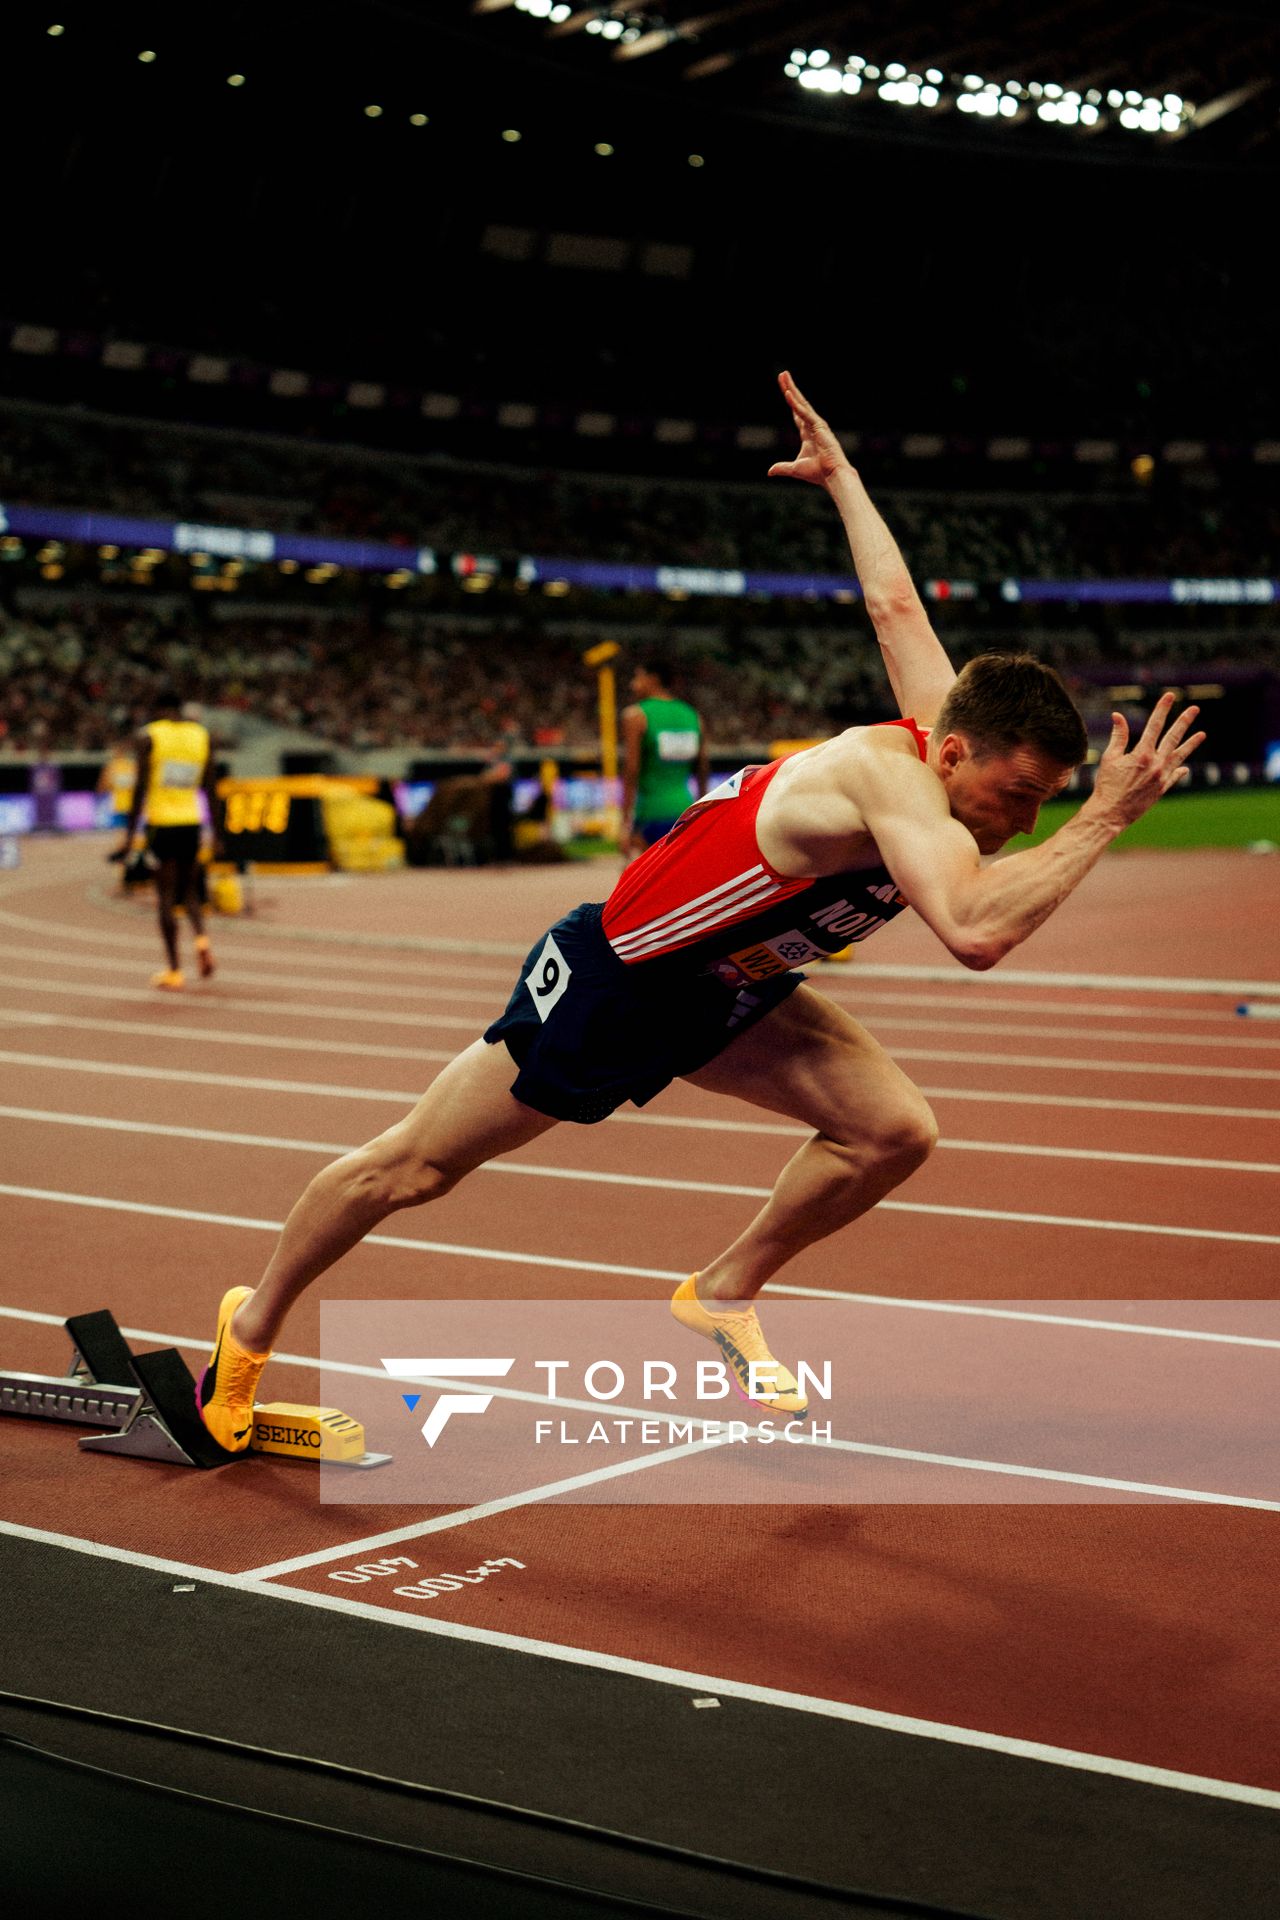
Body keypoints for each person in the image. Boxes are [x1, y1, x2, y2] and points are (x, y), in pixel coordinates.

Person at [196, 372, 1204, 1449]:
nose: (1019, 819)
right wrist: (1101, 820)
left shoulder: (942, 729)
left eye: (1042, 802)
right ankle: (246, 1334)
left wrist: (844, 479)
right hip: (614, 983)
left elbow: (894, 607)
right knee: (413, 1168)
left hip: (736, 984)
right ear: (953, 756)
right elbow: (973, 932)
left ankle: (721, 1291)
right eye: (1017, 795)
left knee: (890, 1131)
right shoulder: (888, 778)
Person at [119, 687, 220, 990]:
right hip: (192, 822)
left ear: (160, 709)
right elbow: (211, 789)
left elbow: (140, 788)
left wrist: (129, 833)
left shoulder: (150, 736)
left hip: (162, 824)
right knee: (189, 889)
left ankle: (174, 970)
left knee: (164, 895)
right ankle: (202, 941)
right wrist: (217, 832)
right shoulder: (201, 736)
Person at [620, 654, 708, 860]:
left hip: (650, 813)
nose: (633, 684)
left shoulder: (635, 716)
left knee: (645, 884)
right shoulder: (693, 715)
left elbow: (631, 770)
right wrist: (702, 811)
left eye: (638, 677)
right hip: (684, 811)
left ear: (654, 679)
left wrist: (625, 822)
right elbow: (702, 768)